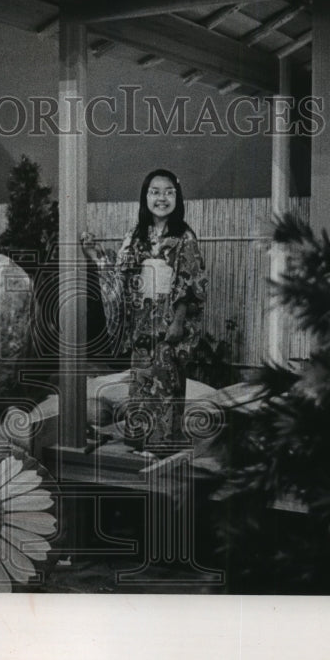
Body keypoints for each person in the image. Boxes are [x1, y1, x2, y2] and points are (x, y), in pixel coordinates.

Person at [82, 168, 208, 456]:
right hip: (141, 316)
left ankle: (163, 444)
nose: (161, 198)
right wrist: (94, 254)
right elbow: (120, 274)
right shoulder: (136, 236)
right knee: (140, 379)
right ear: (145, 197)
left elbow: (190, 280)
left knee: (165, 377)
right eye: (155, 191)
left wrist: (178, 320)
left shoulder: (184, 237)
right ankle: (140, 441)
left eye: (168, 192)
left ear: (177, 197)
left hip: (169, 315)